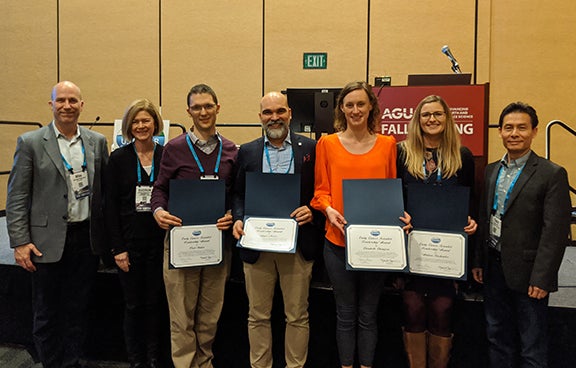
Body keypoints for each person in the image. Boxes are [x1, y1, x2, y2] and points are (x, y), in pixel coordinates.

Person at [5, 81, 109, 368]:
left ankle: (73, 361)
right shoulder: (31, 142)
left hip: (85, 239)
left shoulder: (96, 142)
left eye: (73, 100)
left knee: (78, 309)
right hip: (44, 242)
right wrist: (19, 241)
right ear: (51, 104)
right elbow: (16, 196)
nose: (67, 106)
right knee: (47, 311)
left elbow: (103, 193)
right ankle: (51, 363)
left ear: (82, 105)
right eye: (61, 100)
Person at [472, 102, 571, 367]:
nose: (514, 133)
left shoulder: (552, 174)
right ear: (500, 132)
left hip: (529, 275)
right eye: (508, 128)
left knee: (532, 345)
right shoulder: (492, 170)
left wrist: (543, 277)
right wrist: (479, 261)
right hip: (493, 268)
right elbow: (486, 218)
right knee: (497, 338)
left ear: (534, 132)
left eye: (521, 128)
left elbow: (556, 232)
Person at [310, 81, 400, 368]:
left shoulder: (388, 145)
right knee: (345, 314)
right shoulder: (327, 143)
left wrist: (399, 215)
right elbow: (320, 191)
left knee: (369, 315)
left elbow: (392, 191)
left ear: (371, 106)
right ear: (341, 109)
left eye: (361, 104)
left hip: (375, 243)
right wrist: (328, 209)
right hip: (337, 242)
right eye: (349, 105)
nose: (355, 110)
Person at [232, 91, 323, 368]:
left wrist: (313, 208)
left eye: (280, 111)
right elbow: (237, 194)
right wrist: (237, 217)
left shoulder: (310, 149)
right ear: (260, 117)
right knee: (257, 315)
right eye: (268, 113)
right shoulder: (247, 151)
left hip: (296, 244)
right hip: (257, 244)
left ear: (290, 113)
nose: (275, 117)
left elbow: (322, 190)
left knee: (297, 315)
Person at [151, 84, 237, 368]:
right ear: (188, 111)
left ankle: (205, 362)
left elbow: (236, 194)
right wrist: (159, 211)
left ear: (218, 108)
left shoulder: (231, 151)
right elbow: (159, 189)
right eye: (197, 107)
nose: (203, 112)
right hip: (181, 243)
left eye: (208, 106)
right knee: (181, 316)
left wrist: (231, 212)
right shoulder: (173, 149)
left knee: (210, 314)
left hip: (217, 245)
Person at [396, 95, 477, 367]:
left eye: (438, 114)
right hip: (412, 248)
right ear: (417, 120)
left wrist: (471, 221)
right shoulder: (402, 153)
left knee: (443, 311)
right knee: (413, 310)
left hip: (446, 252)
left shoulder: (462, 156)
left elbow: (471, 202)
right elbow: (394, 198)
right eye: (426, 114)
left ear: (447, 118)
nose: (432, 119)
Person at [105, 99, 167, 368]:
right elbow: (109, 207)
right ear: (129, 126)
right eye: (136, 122)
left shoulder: (166, 155)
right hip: (129, 243)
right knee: (133, 305)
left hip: (160, 241)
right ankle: (136, 360)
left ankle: (153, 358)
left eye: (146, 120)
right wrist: (118, 248)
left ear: (156, 124)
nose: (141, 126)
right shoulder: (118, 158)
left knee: (155, 303)